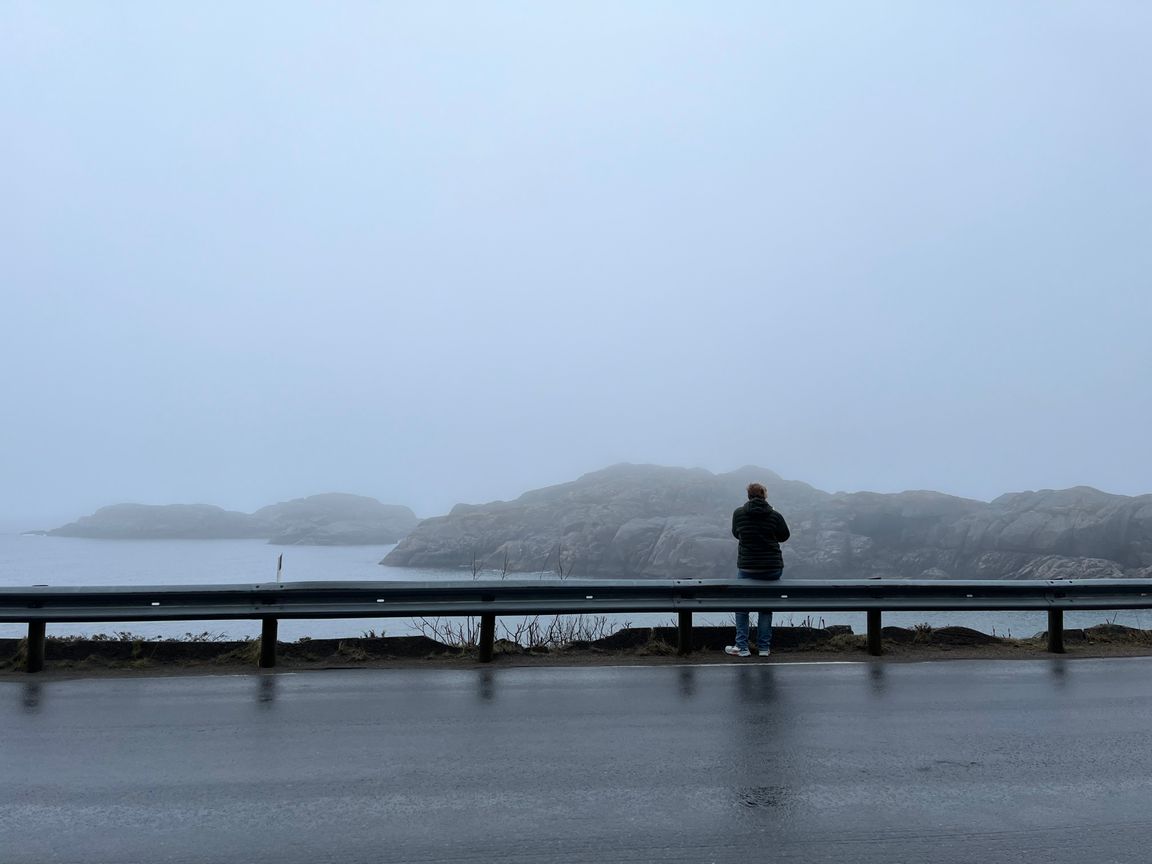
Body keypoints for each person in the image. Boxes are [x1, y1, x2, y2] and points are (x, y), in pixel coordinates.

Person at [725, 482, 790, 658]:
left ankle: (742, 647)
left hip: (748, 567)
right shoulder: (774, 515)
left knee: (741, 606)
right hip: (772, 568)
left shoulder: (738, 513)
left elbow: (736, 533)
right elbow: (784, 536)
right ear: (764, 496)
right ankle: (763, 648)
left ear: (748, 496)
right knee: (766, 607)